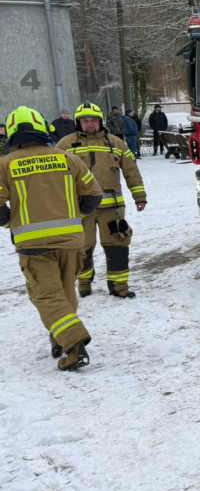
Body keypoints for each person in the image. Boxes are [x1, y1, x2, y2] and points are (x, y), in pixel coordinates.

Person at [0, 106, 102, 370]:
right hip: (71, 241)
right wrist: (75, 216)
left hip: (34, 245)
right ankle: (59, 337)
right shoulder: (67, 158)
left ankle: (73, 343)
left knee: (46, 296)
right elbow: (92, 195)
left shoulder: (5, 164)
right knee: (65, 291)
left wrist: (12, 221)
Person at [56, 103, 147, 298]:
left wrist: (139, 196)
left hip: (112, 209)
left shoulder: (116, 143)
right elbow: (53, 178)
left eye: (93, 120)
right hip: (80, 210)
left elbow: (132, 171)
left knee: (118, 247)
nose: (90, 124)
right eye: (85, 120)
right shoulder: (64, 145)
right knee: (82, 248)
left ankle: (119, 286)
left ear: (100, 121)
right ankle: (84, 283)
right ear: (78, 122)